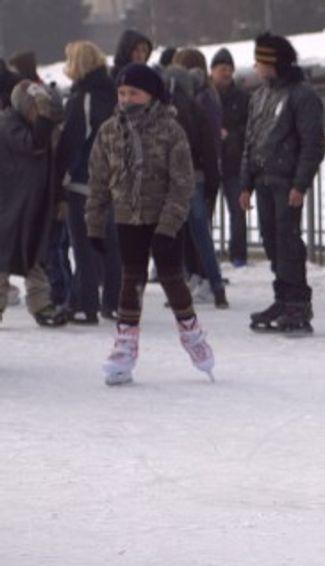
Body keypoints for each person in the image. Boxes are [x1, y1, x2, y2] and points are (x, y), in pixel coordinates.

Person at [86, 63, 214, 385]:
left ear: (152, 95)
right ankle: (125, 345)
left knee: (172, 279)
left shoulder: (170, 130)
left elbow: (182, 182)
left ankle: (192, 334)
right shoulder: (110, 131)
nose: (126, 99)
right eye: (122, 93)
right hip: (128, 216)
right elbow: (99, 181)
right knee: (132, 279)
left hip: (163, 218)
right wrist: (94, 222)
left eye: (134, 93)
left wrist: (169, 224)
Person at [241, 32, 325, 334]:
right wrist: (245, 183)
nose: (255, 66)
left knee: (288, 241)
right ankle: (283, 297)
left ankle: (298, 304)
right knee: (271, 239)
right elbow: (250, 141)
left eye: (260, 61)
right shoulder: (260, 95)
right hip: (263, 180)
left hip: (286, 182)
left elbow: (312, 144)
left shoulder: (302, 95)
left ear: (272, 63)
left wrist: (300, 184)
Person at [56, 40, 121, 325]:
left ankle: (84, 304)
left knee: (83, 246)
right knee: (111, 246)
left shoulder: (81, 98)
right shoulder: (115, 95)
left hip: (84, 181)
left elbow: (71, 143)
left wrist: (59, 180)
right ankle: (113, 301)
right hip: (115, 181)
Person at [0, 80, 68, 327]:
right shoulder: (8, 124)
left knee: (34, 257)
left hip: (32, 205)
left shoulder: (37, 127)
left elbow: (51, 165)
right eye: (35, 109)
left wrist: (59, 197)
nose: (39, 115)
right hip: (9, 207)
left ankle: (41, 305)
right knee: (3, 258)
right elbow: (34, 145)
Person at [164, 63, 226, 308]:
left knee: (173, 236)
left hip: (170, 181)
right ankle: (218, 287)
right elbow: (209, 149)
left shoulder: (161, 111)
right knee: (202, 236)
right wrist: (212, 183)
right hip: (195, 178)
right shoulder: (195, 108)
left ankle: (177, 289)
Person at [210, 47, 250, 267]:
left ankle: (238, 254)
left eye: (229, 69)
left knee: (237, 210)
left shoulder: (242, 98)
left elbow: (249, 127)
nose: (225, 73)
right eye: (221, 69)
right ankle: (206, 252)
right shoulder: (205, 95)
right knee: (205, 211)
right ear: (212, 70)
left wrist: (232, 135)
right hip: (211, 163)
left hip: (234, 162)